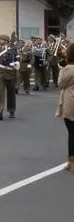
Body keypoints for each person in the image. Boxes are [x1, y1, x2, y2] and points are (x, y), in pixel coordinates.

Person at [55, 43, 74, 171]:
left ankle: (72, 162)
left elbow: (61, 84)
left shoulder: (69, 68)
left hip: (71, 100)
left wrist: (61, 69)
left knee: (72, 131)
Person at [0, 34, 20, 120]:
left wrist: (15, 64)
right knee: (0, 93)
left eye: (1, 39)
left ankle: (11, 110)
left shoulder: (13, 49)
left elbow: (18, 59)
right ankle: (0, 112)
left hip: (10, 73)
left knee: (11, 93)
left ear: (6, 40)